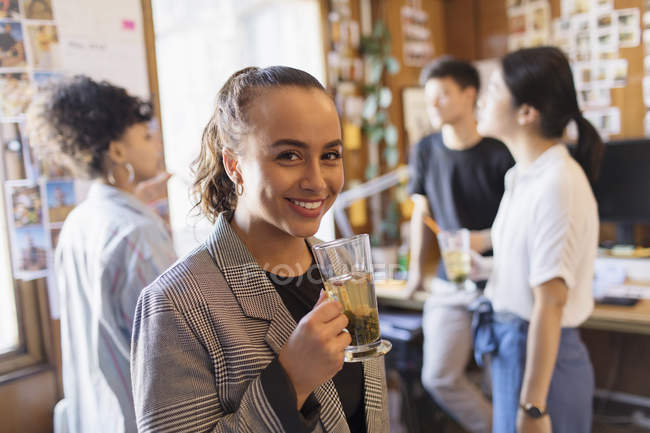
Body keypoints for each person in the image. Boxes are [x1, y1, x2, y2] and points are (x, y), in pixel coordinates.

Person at [131, 66, 389, 433]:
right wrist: (289, 382)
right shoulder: (175, 302)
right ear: (234, 165)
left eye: (330, 155)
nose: (316, 181)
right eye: (289, 156)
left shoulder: (343, 268)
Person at [27, 75, 176, 433]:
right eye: (145, 135)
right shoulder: (137, 234)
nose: (157, 144)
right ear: (118, 151)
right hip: (138, 418)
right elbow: (174, 351)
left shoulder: (80, 221)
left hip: (92, 416)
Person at [473, 46, 603, 433]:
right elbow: (527, 268)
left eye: (493, 89)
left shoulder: (557, 182)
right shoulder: (521, 175)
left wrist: (533, 407)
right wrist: (485, 265)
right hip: (515, 347)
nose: (481, 99)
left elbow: (551, 300)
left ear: (526, 112)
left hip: (544, 361)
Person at [405, 56, 513, 433]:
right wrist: (416, 272)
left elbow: (517, 224)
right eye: (428, 96)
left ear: (470, 95)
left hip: (501, 281)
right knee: (438, 376)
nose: (433, 104)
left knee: (501, 380)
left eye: (443, 95)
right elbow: (421, 214)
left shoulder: (502, 151)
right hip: (450, 281)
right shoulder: (425, 150)